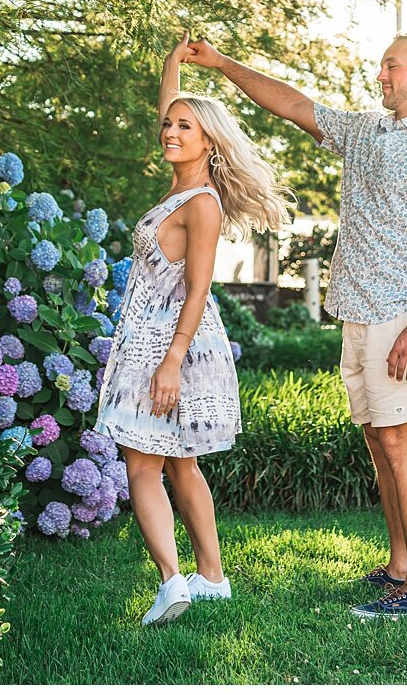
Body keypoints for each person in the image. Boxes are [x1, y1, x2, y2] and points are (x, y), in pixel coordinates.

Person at [185, 31, 407, 619]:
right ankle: (400, 567)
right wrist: (221, 64)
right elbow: (295, 106)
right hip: (360, 311)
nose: (380, 75)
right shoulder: (367, 132)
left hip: (405, 315)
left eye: (391, 65)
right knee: (380, 440)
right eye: (381, 65)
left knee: (405, 440)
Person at [94, 32, 291, 626]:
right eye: (169, 126)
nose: (171, 132)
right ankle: (212, 579)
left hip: (170, 342)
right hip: (155, 338)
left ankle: (171, 583)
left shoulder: (201, 203)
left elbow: (200, 286)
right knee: (179, 463)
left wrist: (171, 361)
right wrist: (173, 61)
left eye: (185, 128)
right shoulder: (179, 188)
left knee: (142, 464)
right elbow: (171, 105)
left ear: (210, 141)